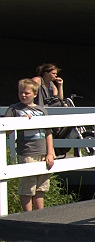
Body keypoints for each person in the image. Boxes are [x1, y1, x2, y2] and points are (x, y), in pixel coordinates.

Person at [5, 79, 56, 211]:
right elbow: (6, 131)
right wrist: (18, 121)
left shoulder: (41, 110)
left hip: (42, 152)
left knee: (41, 186)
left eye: (26, 93)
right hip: (27, 152)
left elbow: (48, 133)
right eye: (20, 92)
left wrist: (50, 152)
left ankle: (40, 214)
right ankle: (27, 214)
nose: (23, 95)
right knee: (28, 185)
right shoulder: (14, 109)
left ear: (34, 94)